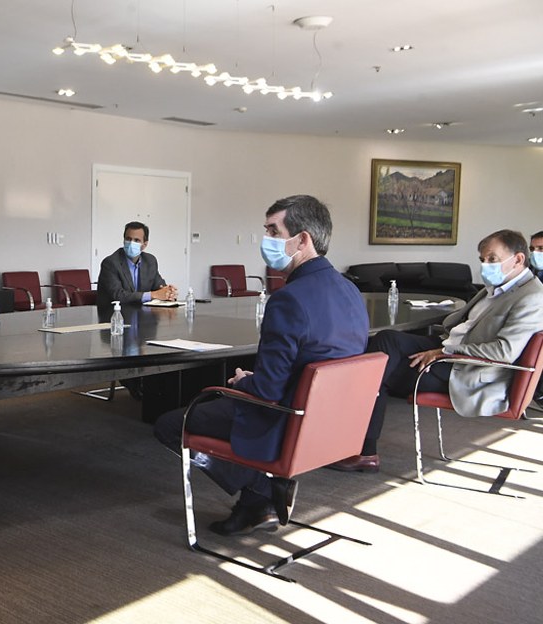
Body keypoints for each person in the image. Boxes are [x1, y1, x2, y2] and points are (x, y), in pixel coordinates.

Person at [154, 195, 369, 536]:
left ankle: (261, 490)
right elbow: (323, 360)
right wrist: (266, 379)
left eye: (273, 231)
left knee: (169, 425)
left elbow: (267, 391)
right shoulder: (350, 290)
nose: (265, 239)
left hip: (284, 418)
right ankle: (256, 502)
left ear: (302, 239)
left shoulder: (289, 299)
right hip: (331, 419)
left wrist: (242, 381)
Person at [330, 229, 543, 473]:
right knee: (386, 341)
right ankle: (350, 435)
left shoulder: (532, 297)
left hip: (470, 371)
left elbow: (504, 351)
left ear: (518, 259)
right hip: (449, 349)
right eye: (482, 259)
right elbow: (461, 323)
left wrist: (446, 352)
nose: (485, 266)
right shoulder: (497, 286)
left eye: (492, 259)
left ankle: (362, 451)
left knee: (379, 371)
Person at [96, 221, 178, 308]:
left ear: (145, 244)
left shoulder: (150, 261)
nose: (131, 243)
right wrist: (152, 295)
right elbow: (118, 296)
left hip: (143, 313)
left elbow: (159, 286)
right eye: (128, 239)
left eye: (136, 240)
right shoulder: (110, 263)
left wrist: (168, 293)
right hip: (113, 313)